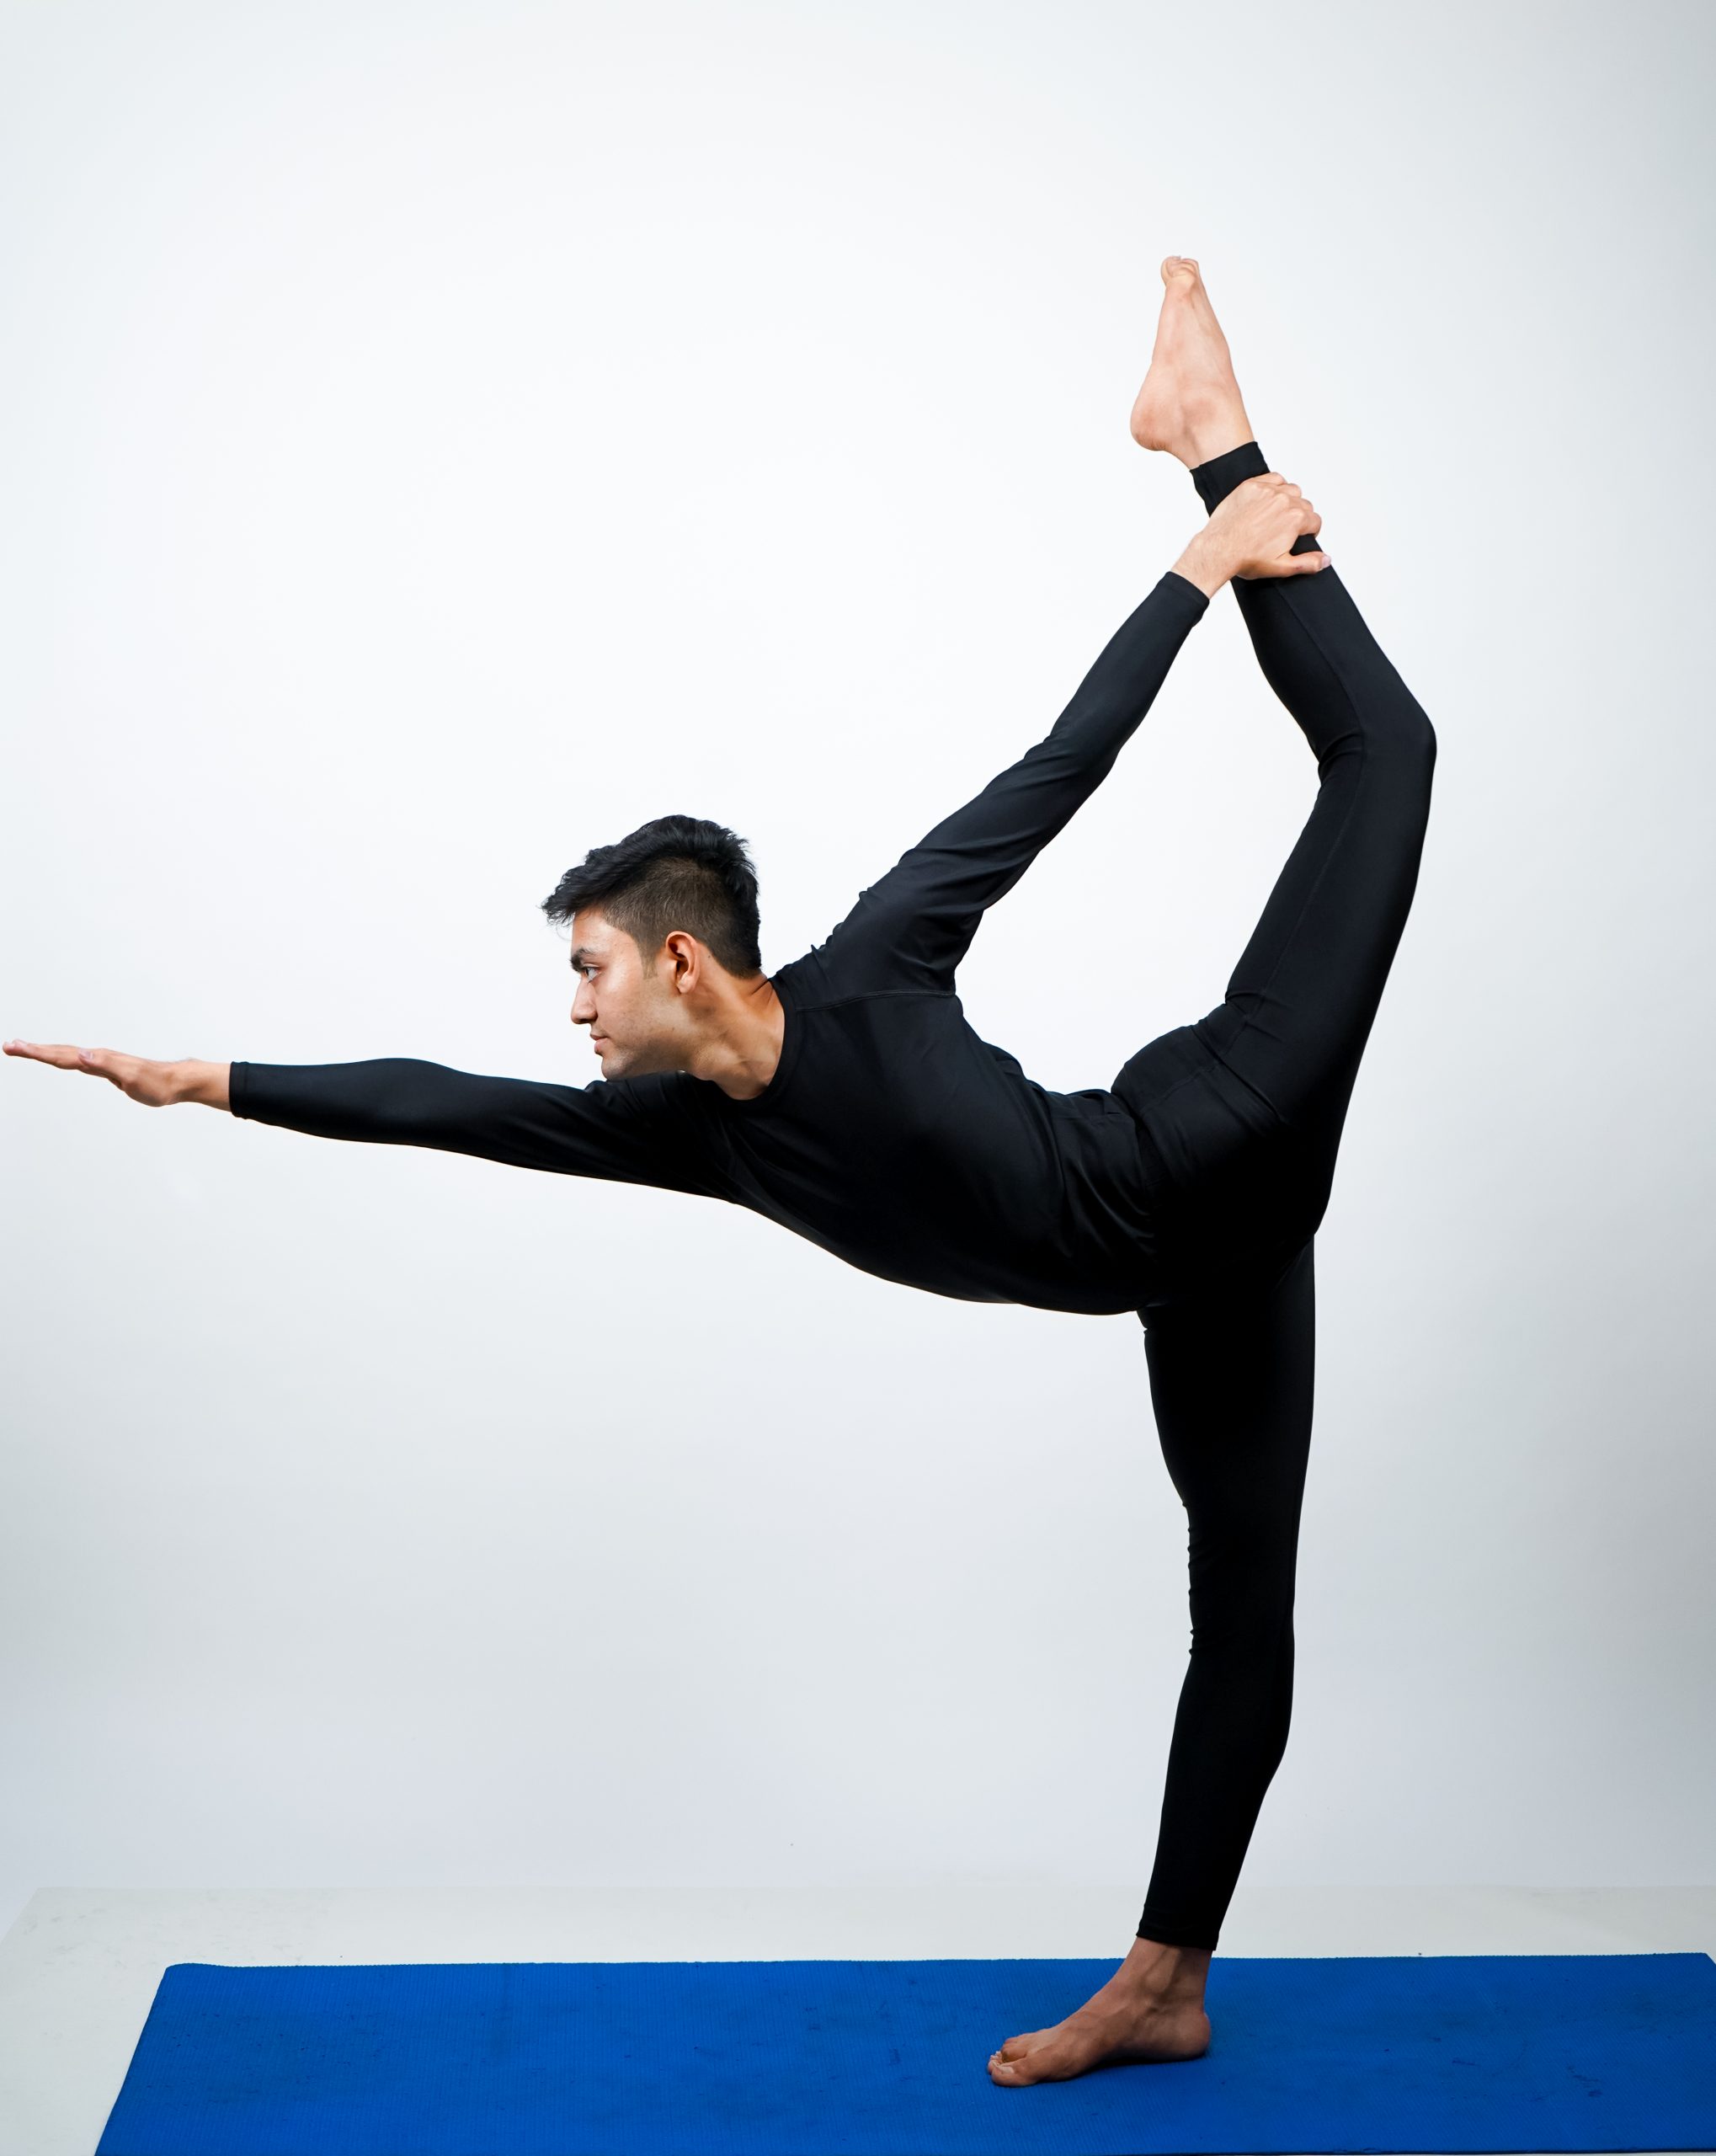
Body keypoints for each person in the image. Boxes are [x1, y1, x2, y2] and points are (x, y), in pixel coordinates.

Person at [5, 256, 1436, 2086]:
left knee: (1381, 752)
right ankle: (1164, 1981)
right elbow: (441, 1102)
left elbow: (1051, 769)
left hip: (1224, 1121)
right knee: (1239, 1598)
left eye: (589, 966)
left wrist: (1192, 570)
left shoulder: (874, 960)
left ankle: (1209, 442)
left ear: (683, 959)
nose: (572, 1009)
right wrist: (205, 1078)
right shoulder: (689, 1137)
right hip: (1201, 1263)